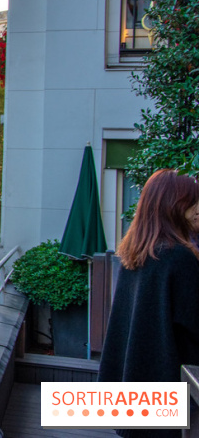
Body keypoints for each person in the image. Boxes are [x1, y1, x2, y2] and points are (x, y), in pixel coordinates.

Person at [99, 170, 199, 438]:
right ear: (174, 206)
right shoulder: (179, 258)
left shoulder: (137, 253)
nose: (198, 209)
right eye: (192, 202)